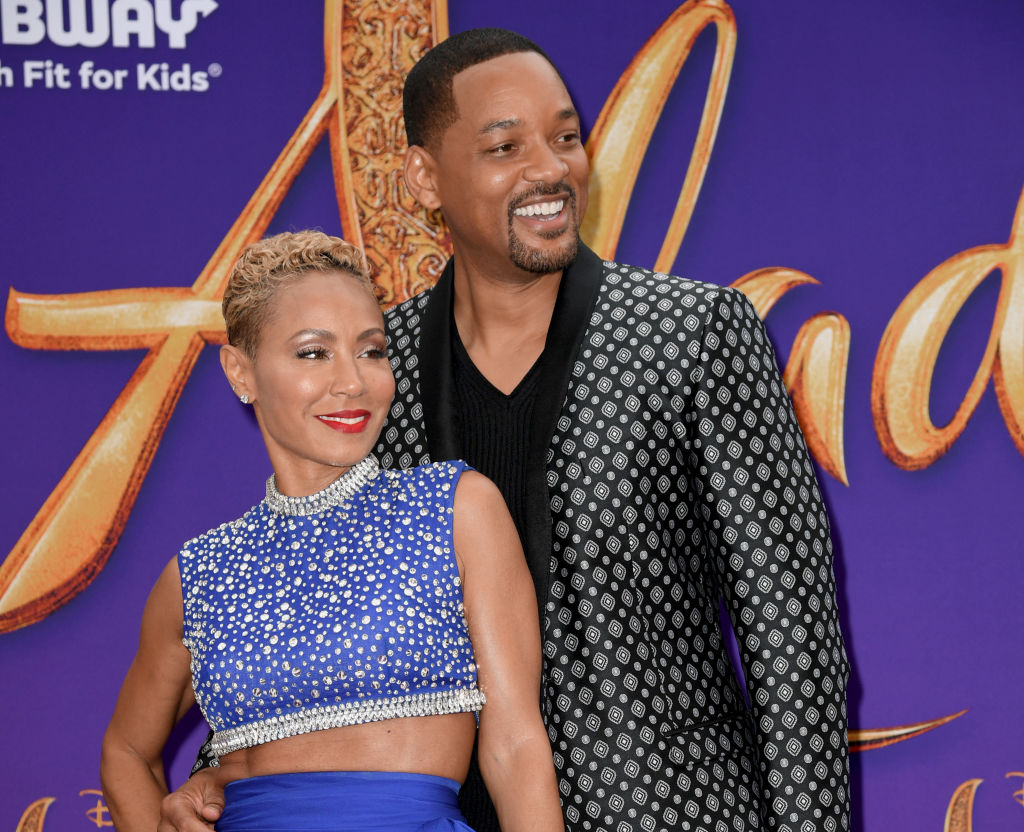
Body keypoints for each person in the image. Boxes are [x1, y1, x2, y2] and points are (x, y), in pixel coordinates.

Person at [164, 27, 850, 832]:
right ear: (425, 177)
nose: (549, 169)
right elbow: (305, 599)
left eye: (565, 137)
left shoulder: (691, 334)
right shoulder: (375, 372)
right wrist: (224, 769)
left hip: (669, 814)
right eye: (505, 147)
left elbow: (792, 635)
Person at [100, 230, 565, 832]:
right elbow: (125, 751)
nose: (353, 381)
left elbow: (516, 746)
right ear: (241, 372)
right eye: (314, 353)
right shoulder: (201, 573)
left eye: (371, 351)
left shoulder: (454, 508)